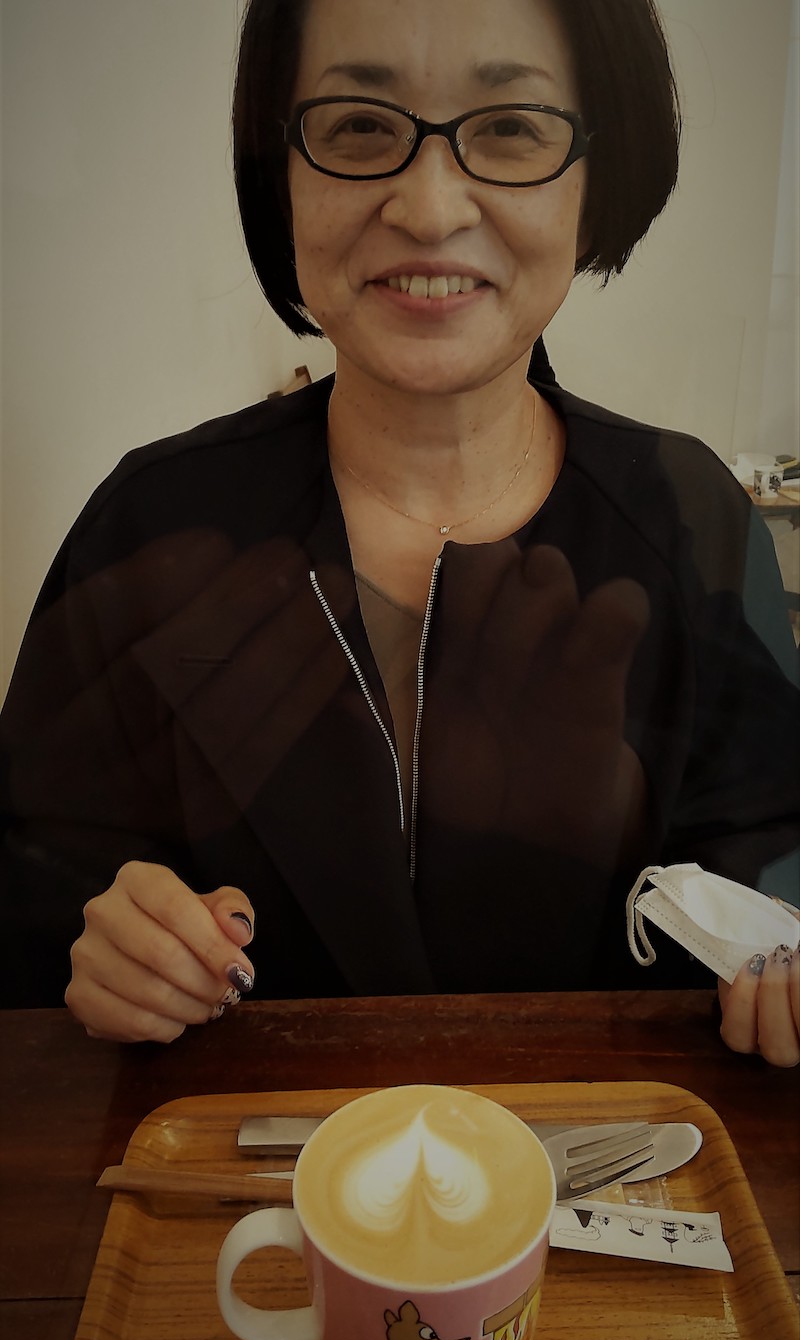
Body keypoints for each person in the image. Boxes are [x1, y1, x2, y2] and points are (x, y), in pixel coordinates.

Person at [1, 0, 798, 1064]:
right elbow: (35, 892)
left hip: (612, 1154)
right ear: (278, 172)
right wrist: (100, 949)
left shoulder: (692, 519)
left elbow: (771, 851)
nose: (427, 208)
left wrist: (777, 959)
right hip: (239, 1163)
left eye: (509, 127)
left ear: (597, 177)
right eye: (359, 126)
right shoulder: (149, 528)